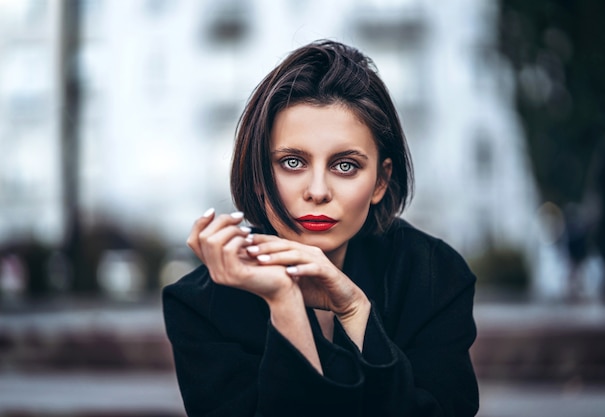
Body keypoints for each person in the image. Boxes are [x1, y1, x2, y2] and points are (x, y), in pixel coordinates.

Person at [162, 40, 479, 417]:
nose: (317, 191)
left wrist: (354, 308)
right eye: (293, 162)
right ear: (260, 175)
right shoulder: (200, 305)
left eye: (345, 166)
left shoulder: (433, 275)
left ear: (381, 181)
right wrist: (285, 304)